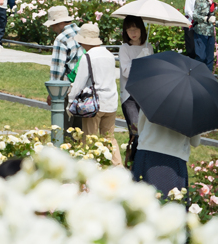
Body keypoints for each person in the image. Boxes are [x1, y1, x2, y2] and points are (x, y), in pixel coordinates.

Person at [69, 23, 121, 165]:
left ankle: (90, 172)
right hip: (111, 102)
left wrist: (70, 101)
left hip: (93, 104)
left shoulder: (88, 57)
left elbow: (79, 83)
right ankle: (119, 168)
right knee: (109, 138)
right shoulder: (109, 55)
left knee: (90, 139)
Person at [132, 112, 203, 196]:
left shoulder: (151, 99)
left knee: (139, 200)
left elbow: (141, 128)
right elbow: (195, 142)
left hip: (147, 152)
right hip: (175, 160)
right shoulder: (192, 105)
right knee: (169, 204)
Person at [120, 15, 153, 163]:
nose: (132, 33)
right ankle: (133, 161)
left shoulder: (148, 47)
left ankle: (141, 162)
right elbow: (126, 72)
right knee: (135, 131)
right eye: (129, 30)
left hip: (145, 95)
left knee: (146, 131)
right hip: (129, 96)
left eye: (135, 29)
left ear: (141, 29)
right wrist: (141, 64)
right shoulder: (125, 48)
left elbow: (151, 71)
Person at [46, 5, 81, 82]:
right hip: (87, 84)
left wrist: (53, 88)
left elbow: (57, 69)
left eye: (52, 25)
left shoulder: (61, 39)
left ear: (58, 23)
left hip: (70, 85)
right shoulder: (82, 32)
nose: (52, 28)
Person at [190, 0, 217, 71]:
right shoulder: (200, 0)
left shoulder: (212, 2)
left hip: (210, 33)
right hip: (200, 33)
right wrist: (206, 18)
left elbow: (212, 18)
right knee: (201, 57)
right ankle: (198, 77)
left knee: (210, 58)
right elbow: (194, 15)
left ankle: (208, 79)